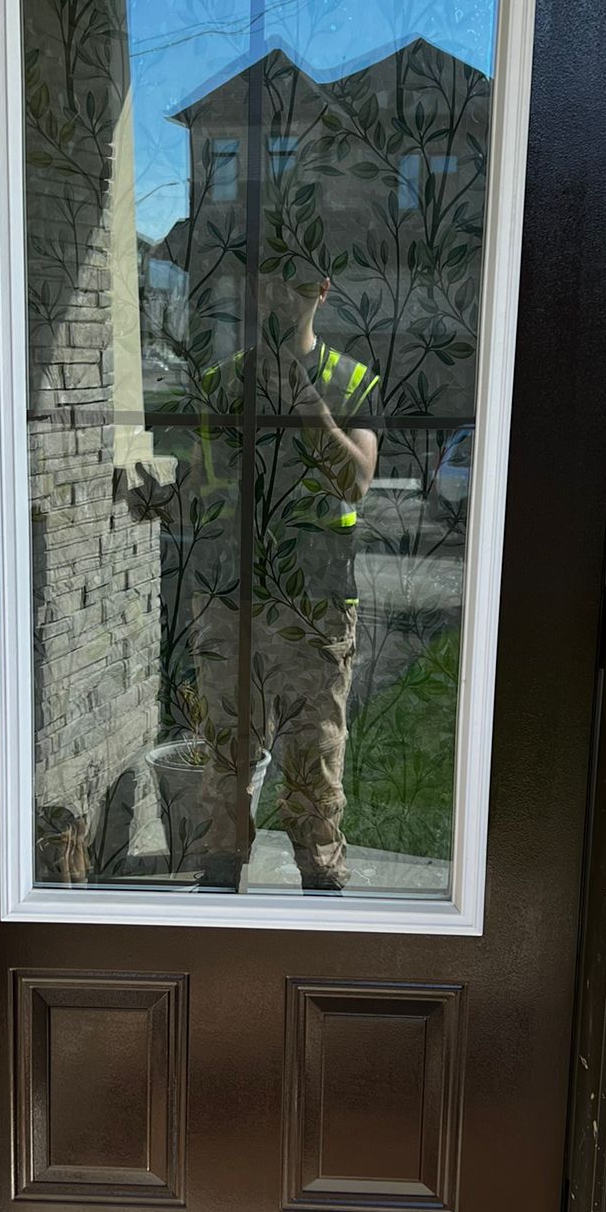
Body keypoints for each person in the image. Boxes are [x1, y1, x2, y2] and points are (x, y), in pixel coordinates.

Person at [178, 269, 382, 893]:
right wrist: (158, 501)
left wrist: (308, 406)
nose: (276, 297)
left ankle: (319, 896)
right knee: (224, 760)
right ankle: (219, 889)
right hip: (230, 604)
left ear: (321, 290)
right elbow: (199, 494)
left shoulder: (351, 382)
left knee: (312, 765)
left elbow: (358, 482)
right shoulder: (218, 384)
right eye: (265, 283)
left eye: (292, 284)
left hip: (314, 606)